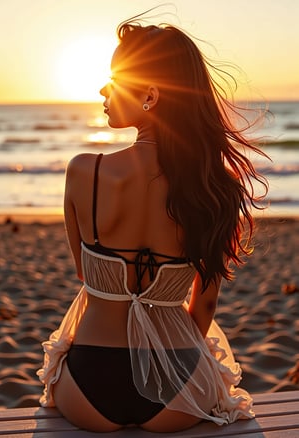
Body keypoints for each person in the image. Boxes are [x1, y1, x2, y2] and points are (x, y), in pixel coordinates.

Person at [37, 14, 268, 434]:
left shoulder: (83, 172)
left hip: (90, 388)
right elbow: (204, 306)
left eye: (115, 79)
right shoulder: (215, 188)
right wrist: (169, 361)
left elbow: (85, 278)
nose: (103, 90)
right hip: (176, 394)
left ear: (150, 95)